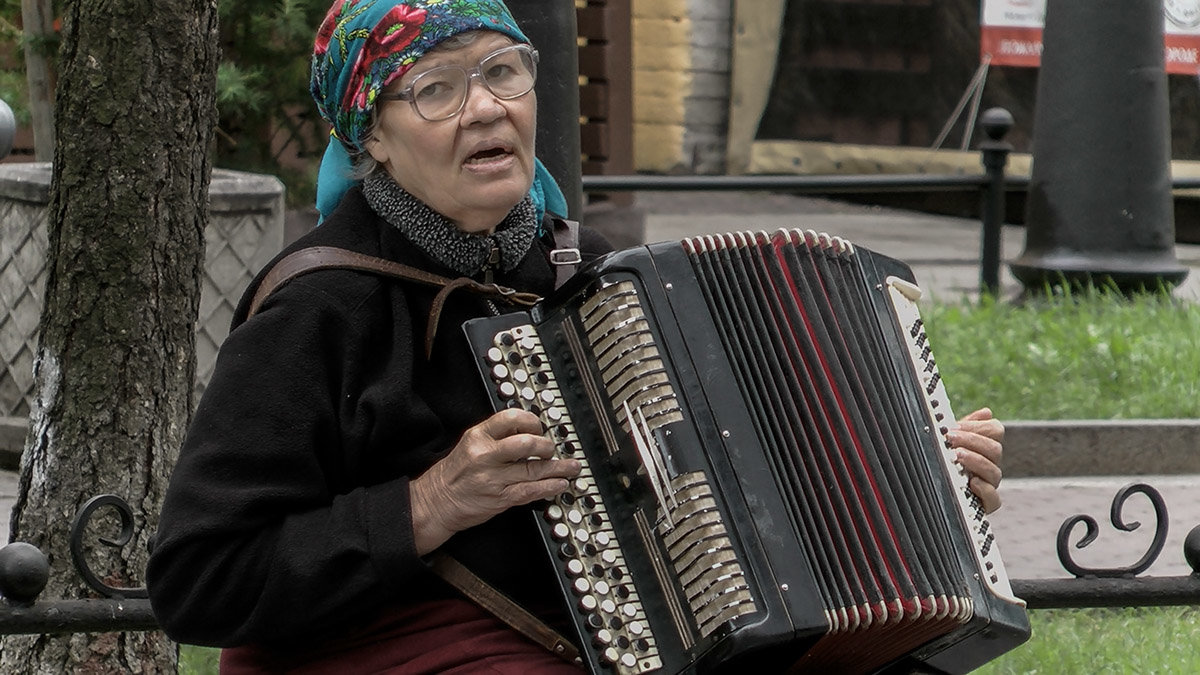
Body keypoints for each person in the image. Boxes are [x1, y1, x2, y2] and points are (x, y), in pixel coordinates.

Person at [147, 0, 1007, 672]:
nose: (484, 108)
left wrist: (921, 473)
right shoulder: (318, 307)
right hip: (377, 650)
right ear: (371, 133)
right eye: (436, 89)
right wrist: (428, 504)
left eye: (503, 72)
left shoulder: (588, 270)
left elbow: (735, 465)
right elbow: (200, 577)